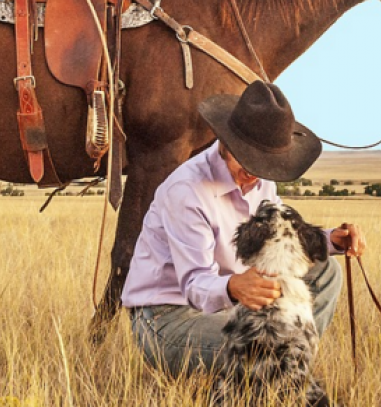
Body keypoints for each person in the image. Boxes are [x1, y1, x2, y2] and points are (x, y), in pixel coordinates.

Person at [122, 80, 367, 376]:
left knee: (327, 272)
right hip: (168, 317)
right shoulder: (187, 191)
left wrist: (332, 241)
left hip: (233, 302)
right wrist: (233, 286)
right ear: (226, 142)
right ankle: (280, 370)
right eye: (248, 161)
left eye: (265, 164)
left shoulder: (261, 178)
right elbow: (194, 285)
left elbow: (276, 241)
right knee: (265, 351)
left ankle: (290, 363)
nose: (255, 175)